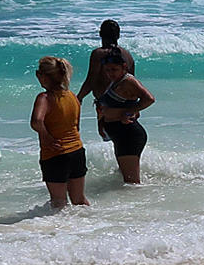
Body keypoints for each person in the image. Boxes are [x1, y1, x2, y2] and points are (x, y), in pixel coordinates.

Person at [30, 56, 88, 208]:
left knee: (58, 204)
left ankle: (62, 232)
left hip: (55, 155)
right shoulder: (73, 97)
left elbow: (36, 121)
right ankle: (91, 227)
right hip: (77, 151)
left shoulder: (45, 98)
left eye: (38, 73)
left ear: (43, 76)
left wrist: (47, 137)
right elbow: (77, 126)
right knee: (80, 200)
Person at [95, 49, 156, 185]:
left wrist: (129, 112)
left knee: (132, 184)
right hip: (119, 134)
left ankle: (141, 204)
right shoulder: (115, 81)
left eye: (114, 69)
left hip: (129, 135)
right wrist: (101, 124)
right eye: (107, 70)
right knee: (124, 178)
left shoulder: (128, 81)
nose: (110, 73)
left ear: (124, 67)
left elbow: (149, 99)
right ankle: (129, 205)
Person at [76, 19, 135, 138]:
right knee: (122, 141)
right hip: (126, 106)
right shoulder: (127, 55)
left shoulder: (98, 54)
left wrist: (79, 98)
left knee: (113, 138)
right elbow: (133, 82)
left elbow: (91, 80)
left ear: (100, 34)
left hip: (107, 106)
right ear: (118, 35)